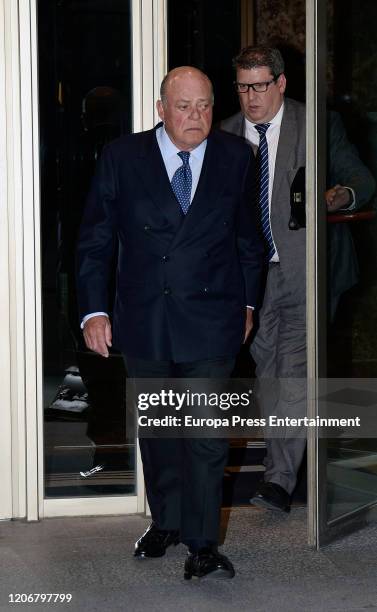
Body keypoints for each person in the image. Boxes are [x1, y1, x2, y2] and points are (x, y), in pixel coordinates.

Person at [76, 66, 263, 579]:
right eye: (184, 106)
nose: (196, 117)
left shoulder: (235, 155)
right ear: (161, 109)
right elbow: (95, 239)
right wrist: (95, 310)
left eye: (204, 105)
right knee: (159, 431)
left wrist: (248, 304)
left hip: (212, 314)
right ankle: (167, 522)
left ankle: (202, 543)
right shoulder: (122, 157)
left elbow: (248, 239)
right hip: (145, 315)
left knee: (204, 433)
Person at [220, 45, 375, 513]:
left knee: (292, 370)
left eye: (260, 86)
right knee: (268, 371)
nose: (251, 98)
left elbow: (362, 180)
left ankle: (279, 478)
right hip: (250, 276)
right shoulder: (225, 133)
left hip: (304, 270)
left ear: (281, 83)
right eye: (243, 87)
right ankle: (282, 467)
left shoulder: (316, 124)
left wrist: (338, 196)